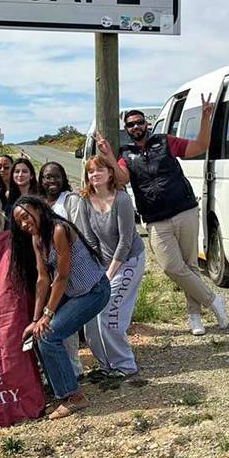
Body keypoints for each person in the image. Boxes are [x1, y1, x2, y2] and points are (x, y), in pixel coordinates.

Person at [100, 105, 229, 336]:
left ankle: (195, 317)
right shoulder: (126, 155)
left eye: (139, 122)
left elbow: (200, 146)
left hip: (184, 210)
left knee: (189, 266)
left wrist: (206, 120)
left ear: (146, 125)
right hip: (155, 219)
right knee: (171, 266)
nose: (136, 126)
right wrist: (109, 156)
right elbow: (121, 179)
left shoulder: (165, 141)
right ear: (127, 129)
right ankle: (213, 300)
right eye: (131, 124)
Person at [9, 196, 110, 419]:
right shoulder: (37, 238)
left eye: (26, 217)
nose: (25, 224)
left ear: (38, 208)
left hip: (94, 290)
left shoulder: (58, 230)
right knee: (39, 334)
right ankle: (61, 391)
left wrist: (48, 314)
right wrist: (36, 319)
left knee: (48, 336)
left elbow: (62, 277)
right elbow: (43, 279)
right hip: (75, 292)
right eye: (20, 223)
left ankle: (74, 397)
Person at [76, 156, 146, 376]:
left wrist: (108, 274)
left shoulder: (122, 200)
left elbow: (125, 242)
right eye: (90, 171)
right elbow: (89, 239)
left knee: (110, 312)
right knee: (91, 316)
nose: (94, 174)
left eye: (99, 170)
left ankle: (125, 365)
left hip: (128, 261)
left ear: (109, 173)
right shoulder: (86, 201)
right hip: (103, 265)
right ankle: (107, 364)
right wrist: (97, 272)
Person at [37, 161, 84, 376]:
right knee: (55, 319)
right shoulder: (39, 204)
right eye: (47, 177)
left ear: (63, 178)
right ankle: (58, 369)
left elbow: (79, 233)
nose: (52, 181)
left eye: (56, 176)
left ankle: (74, 368)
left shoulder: (70, 200)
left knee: (67, 322)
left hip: (72, 268)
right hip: (50, 271)